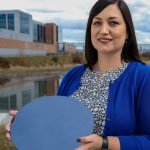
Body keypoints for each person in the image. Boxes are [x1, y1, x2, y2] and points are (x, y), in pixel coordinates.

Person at [6, 0, 150, 149]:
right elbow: (55, 125)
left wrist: (104, 143)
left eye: (113, 23)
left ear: (127, 32)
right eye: (97, 23)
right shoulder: (73, 75)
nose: (103, 30)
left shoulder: (144, 78)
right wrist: (26, 122)